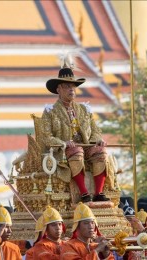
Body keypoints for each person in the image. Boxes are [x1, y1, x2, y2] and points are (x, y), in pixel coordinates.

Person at [41, 60, 111, 202]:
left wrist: (97, 141)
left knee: (101, 151)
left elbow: (96, 130)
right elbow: (46, 137)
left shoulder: (84, 109)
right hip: (63, 151)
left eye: (73, 86)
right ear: (58, 89)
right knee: (76, 151)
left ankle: (98, 193)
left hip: (86, 147)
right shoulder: (50, 111)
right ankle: (84, 193)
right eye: (67, 86)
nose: (71, 89)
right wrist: (63, 143)